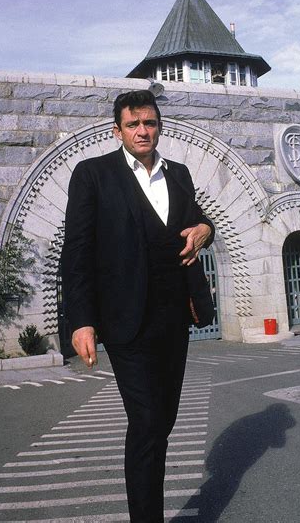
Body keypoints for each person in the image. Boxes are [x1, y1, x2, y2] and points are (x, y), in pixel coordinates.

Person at [61, 89, 215, 523]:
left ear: (159, 126)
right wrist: (82, 321)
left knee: (161, 423)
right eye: (133, 124)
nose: (142, 131)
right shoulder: (92, 175)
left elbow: (201, 221)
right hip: (125, 322)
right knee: (148, 423)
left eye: (149, 122)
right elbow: (77, 252)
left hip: (174, 319)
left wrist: (205, 228)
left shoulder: (179, 174)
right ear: (118, 131)